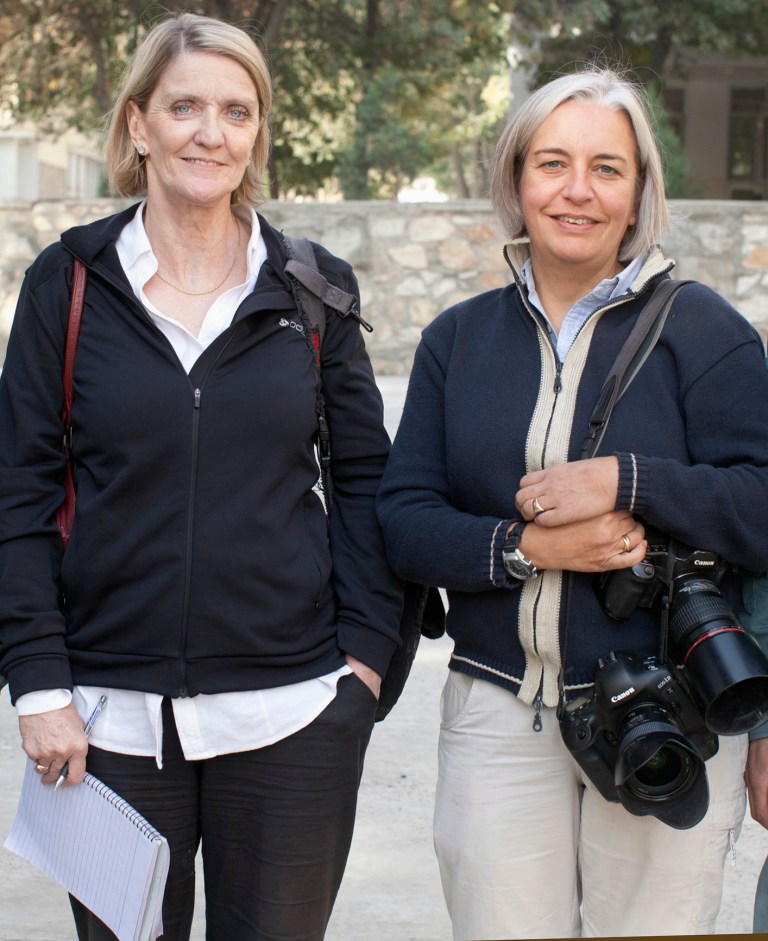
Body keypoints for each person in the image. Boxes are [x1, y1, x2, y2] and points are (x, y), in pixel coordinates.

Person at [0, 13, 402, 941]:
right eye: (185, 106)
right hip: (104, 727)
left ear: (258, 131)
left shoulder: (312, 287)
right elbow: (18, 492)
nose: (209, 133)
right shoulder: (67, 281)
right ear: (139, 123)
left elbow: (367, 483)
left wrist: (365, 665)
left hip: (294, 710)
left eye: (236, 110)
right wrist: (39, 682)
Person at [376, 66, 768, 939]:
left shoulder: (706, 332)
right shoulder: (458, 338)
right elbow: (403, 521)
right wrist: (526, 547)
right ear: (517, 179)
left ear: (638, 195)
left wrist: (631, 480)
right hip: (498, 711)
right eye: (552, 163)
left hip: (665, 709)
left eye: (607, 168)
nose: (577, 191)